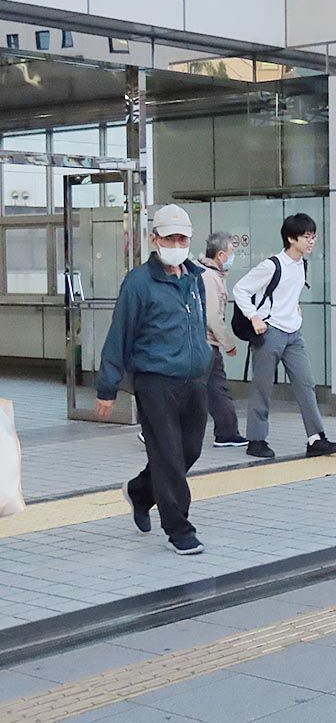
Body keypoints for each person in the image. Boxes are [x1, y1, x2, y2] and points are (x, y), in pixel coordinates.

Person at [97, 204, 211, 555]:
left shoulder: (195, 278)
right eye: (169, 238)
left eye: (182, 239)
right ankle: (179, 529)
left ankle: (140, 491)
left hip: (194, 379)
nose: (176, 244)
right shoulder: (139, 283)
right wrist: (107, 387)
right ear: (154, 239)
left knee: (189, 451)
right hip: (156, 381)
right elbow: (120, 334)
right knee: (168, 455)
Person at [233, 213, 336, 460]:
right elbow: (240, 289)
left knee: (306, 384)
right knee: (262, 387)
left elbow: (288, 293)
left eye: (313, 236)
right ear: (291, 238)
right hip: (270, 332)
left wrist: (294, 308)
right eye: (307, 236)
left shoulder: (303, 264)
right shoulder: (272, 265)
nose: (312, 241)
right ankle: (256, 440)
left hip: (294, 334)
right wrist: (254, 317)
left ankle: (316, 439)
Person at [198, 232, 249, 448]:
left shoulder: (215, 274)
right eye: (231, 252)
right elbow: (212, 316)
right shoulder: (208, 277)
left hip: (210, 343)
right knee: (189, 391)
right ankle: (154, 430)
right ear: (220, 255)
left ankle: (227, 432)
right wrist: (228, 342)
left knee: (217, 388)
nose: (232, 257)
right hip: (204, 343)